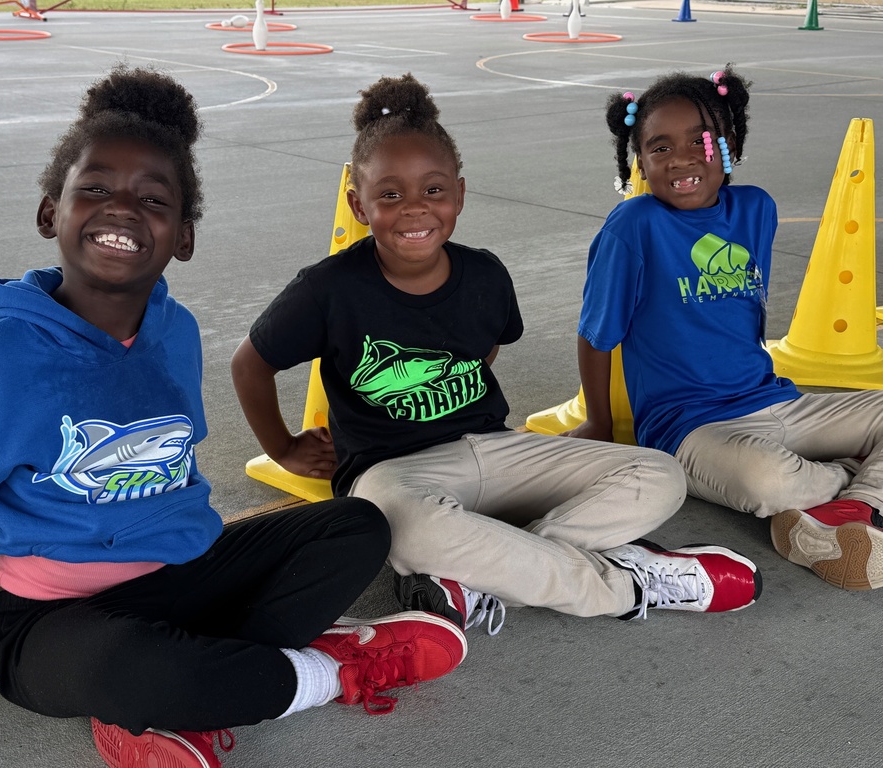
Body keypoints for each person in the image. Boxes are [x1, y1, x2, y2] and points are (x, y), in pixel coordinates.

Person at [0, 66, 470, 768]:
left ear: (183, 236)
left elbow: (175, 471)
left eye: (152, 199)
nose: (121, 209)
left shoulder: (175, 332)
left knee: (357, 526)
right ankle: (328, 671)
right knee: (127, 665)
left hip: (184, 577)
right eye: (95, 189)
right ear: (50, 213)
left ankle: (183, 695)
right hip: (54, 621)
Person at [231, 72, 762, 642]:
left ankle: (478, 575)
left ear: (459, 194)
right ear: (357, 205)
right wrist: (283, 448)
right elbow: (250, 364)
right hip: (393, 472)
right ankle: (628, 584)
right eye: (390, 195)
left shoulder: (485, 274)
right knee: (400, 530)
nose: (414, 209)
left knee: (659, 475)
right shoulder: (327, 289)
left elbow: (484, 349)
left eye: (433, 190)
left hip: (496, 449)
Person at [571, 65, 883, 591]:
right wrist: (599, 422)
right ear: (640, 161)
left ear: (730, 143)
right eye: (660, 148)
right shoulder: (634, 225)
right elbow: (596, 333)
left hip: (778, 402)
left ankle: (845, 508)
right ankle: (854, 484)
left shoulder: (757, 208)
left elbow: (744, 310)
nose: (682, 158)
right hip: (691, 427)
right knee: (767, 479)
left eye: (701, 140)